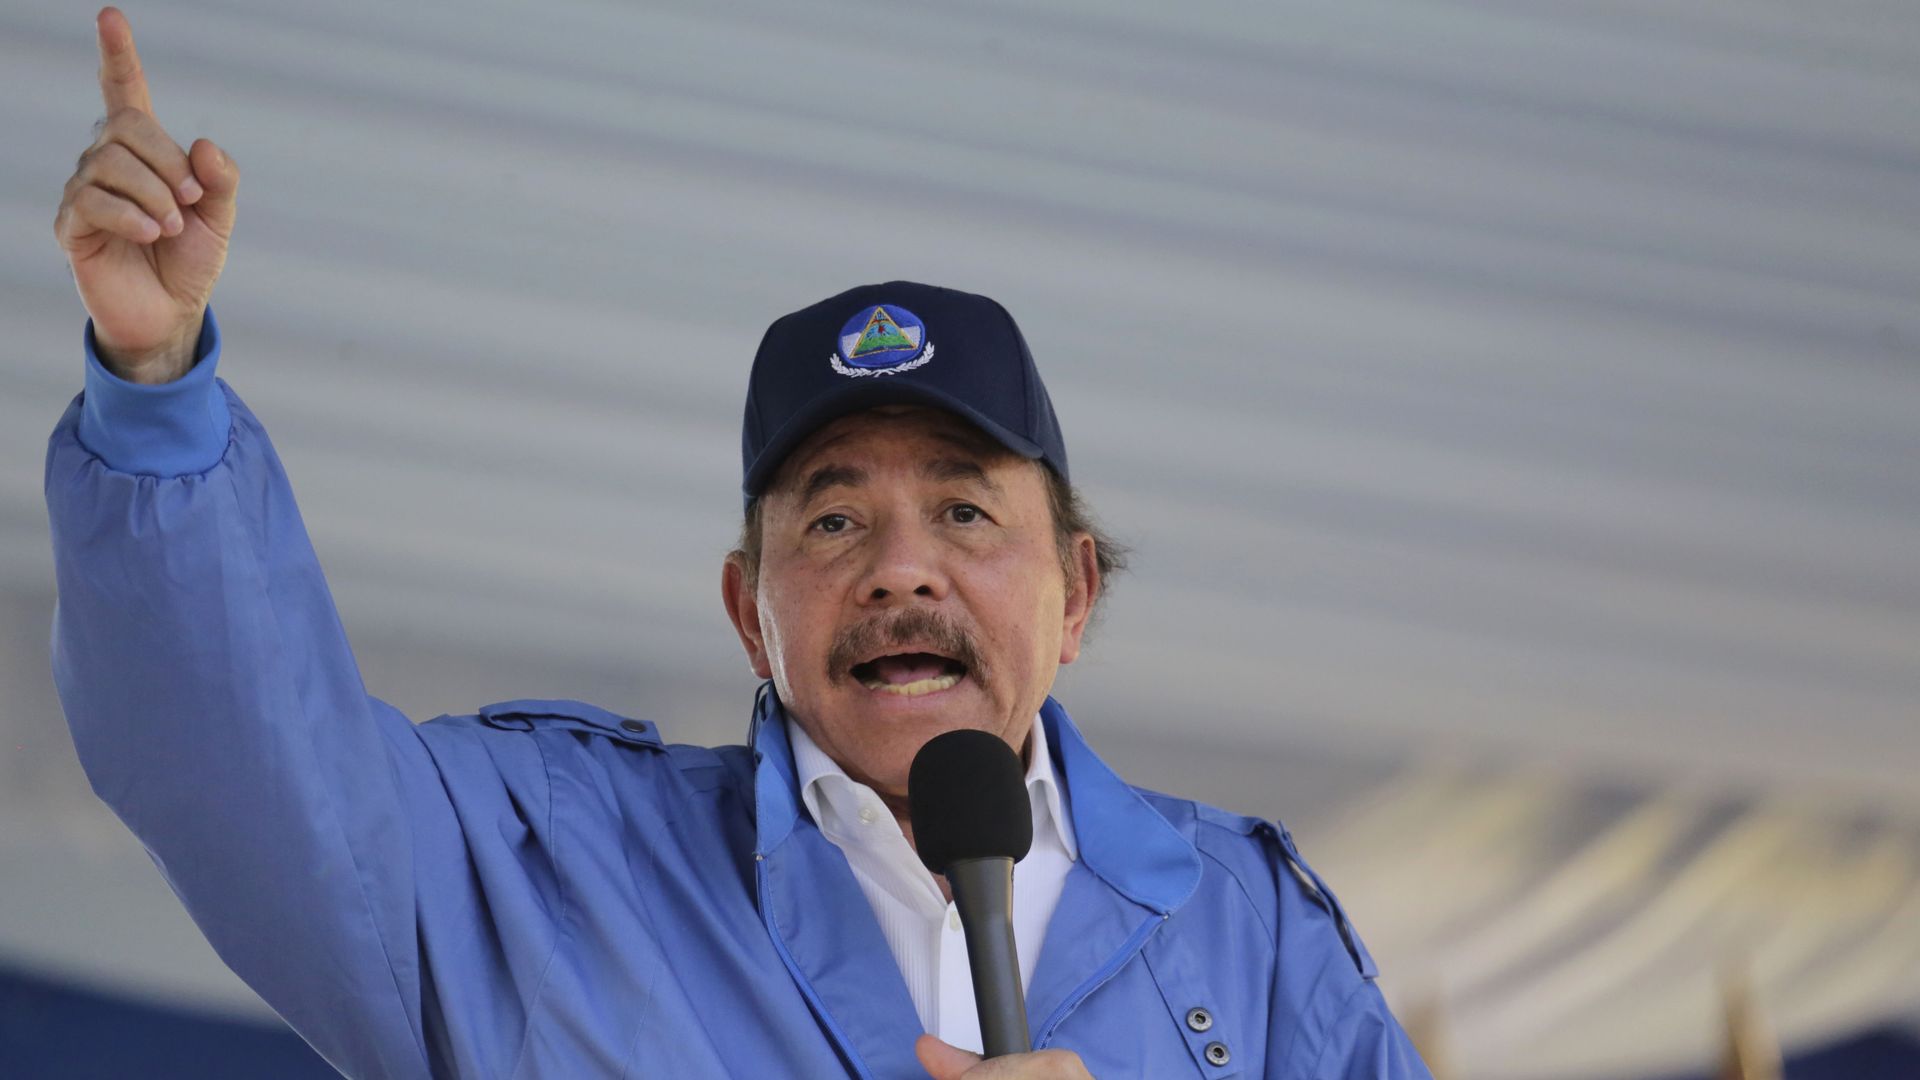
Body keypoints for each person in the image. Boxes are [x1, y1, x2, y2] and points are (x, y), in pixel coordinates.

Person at [46, 8, 1430, 1079]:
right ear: (748, 609)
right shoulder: (546, 865)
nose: (901, 568)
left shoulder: (1250, 931)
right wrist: (156, 383)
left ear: (1073, 593)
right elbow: (241, 768)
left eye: (963, 511)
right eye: (833, 519)